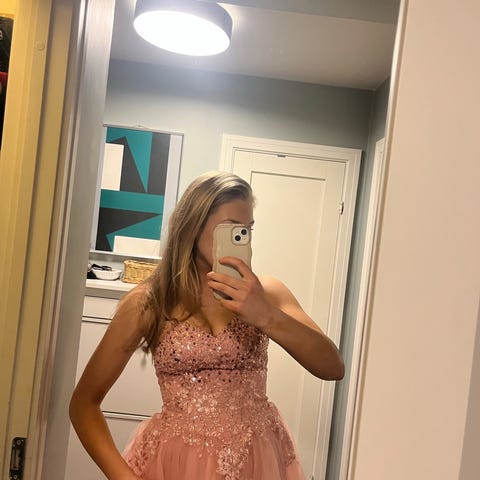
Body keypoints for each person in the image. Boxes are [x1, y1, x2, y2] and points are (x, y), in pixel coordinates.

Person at [69, 171, 345, 480]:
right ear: (193, 225)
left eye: (247, 229)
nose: (241, 237)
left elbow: (332, 367)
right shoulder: (150, 301)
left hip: (256, 460)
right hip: (176, 463)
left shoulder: (267, 293)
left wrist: (265, 315)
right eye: (231, 228)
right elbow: (83, 405)